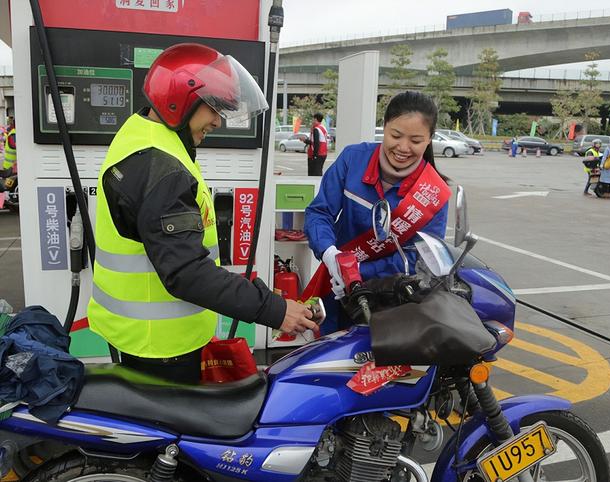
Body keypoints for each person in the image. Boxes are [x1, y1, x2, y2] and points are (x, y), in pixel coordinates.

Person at [87, 43, 315, 384]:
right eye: (214, 108)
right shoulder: (162, 168)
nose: (218, 121)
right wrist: (274, 311)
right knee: (172, 435)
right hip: (161, 346)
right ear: (180, 100)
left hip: (139, 334)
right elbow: (187, 272)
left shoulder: (141, 136)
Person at [303, 91, 450, 333]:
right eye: (395, 135)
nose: (403, 147)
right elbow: (320, 212)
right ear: (384, 127)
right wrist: (330, 254)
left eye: (415, 140)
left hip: (390, 301)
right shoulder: (353, 159)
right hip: (336, 287)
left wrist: (357, 271)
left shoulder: (434, 193)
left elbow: (421, 259)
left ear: (430, 139)